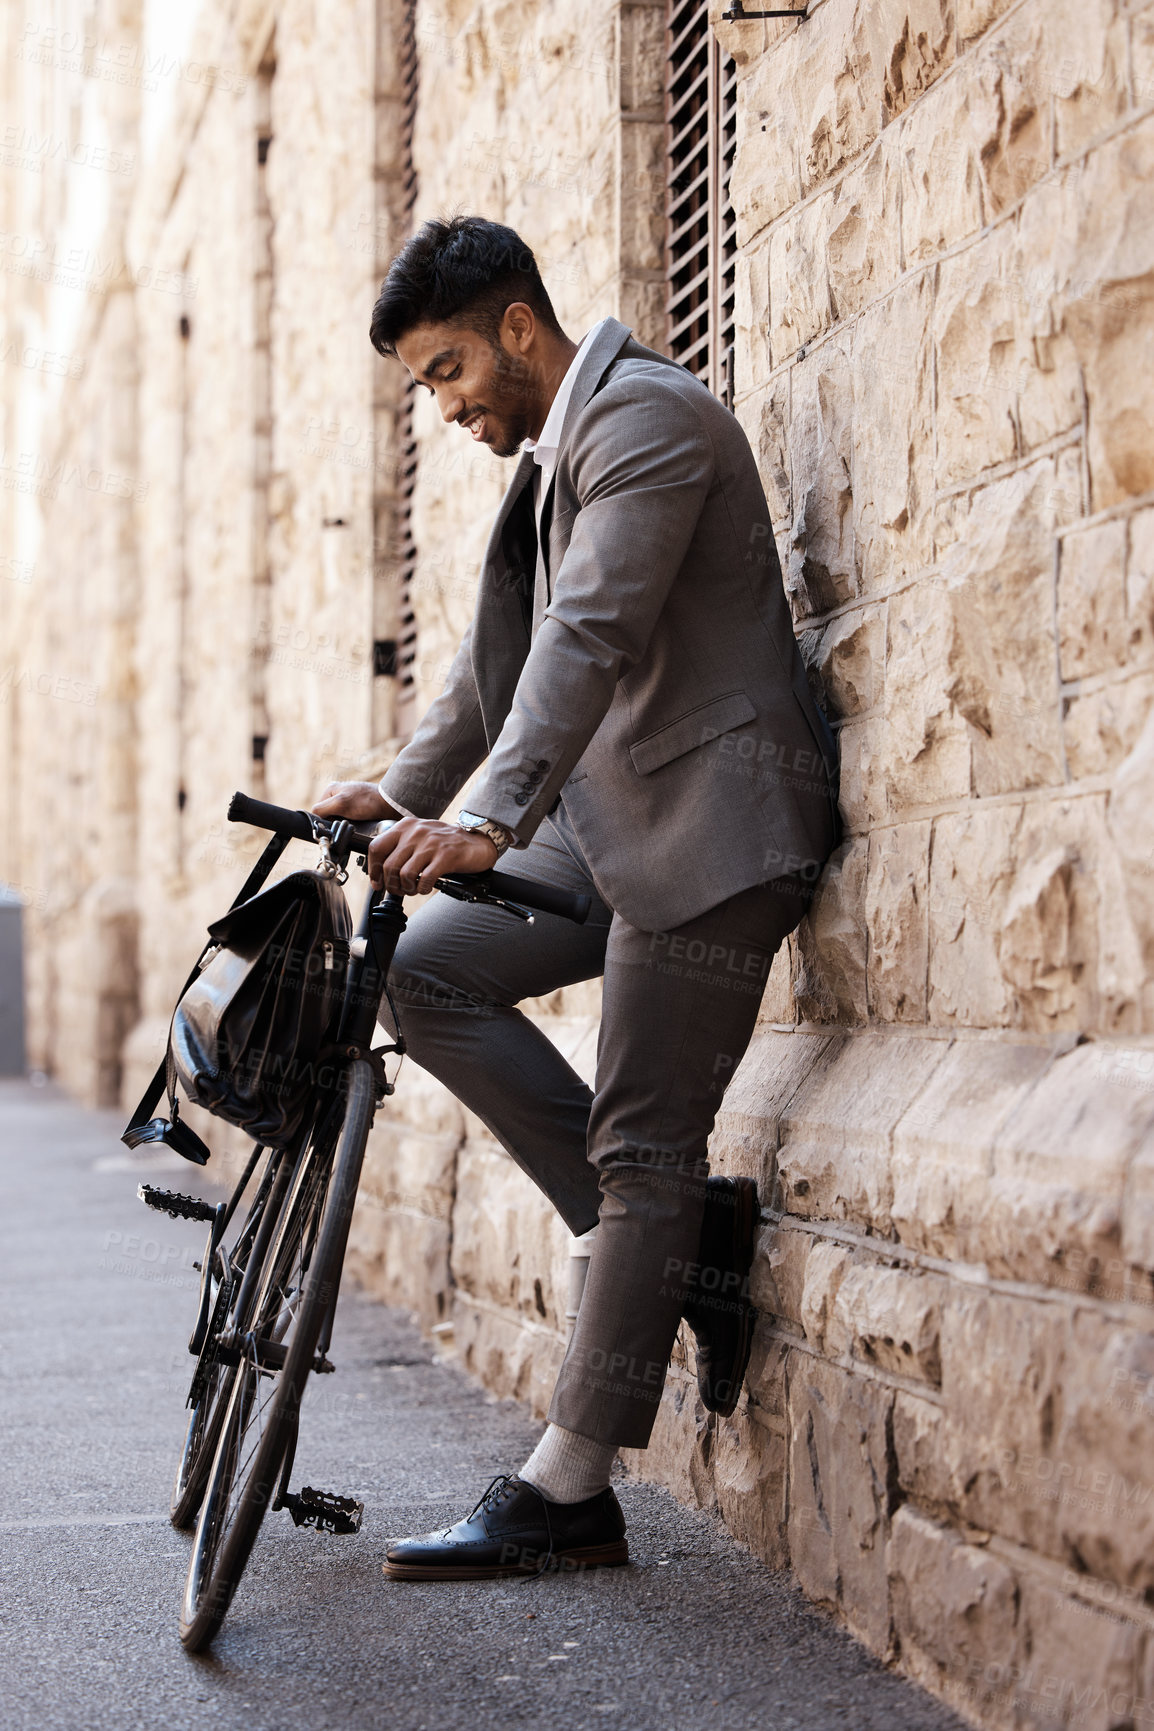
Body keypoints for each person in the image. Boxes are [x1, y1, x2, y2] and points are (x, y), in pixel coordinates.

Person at [314, 215, 839, 1580]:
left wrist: (487, 817)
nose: (443, 408)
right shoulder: (565, 445)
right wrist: (403, 787)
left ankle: (571, 1488)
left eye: (443, 373)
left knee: (639, 1140)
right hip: (611, 826)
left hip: (714, 833)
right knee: (425, 970)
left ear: (517, 332)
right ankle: (681, 1241)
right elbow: (497, 672)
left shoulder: (646, 423)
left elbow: (590, 635)